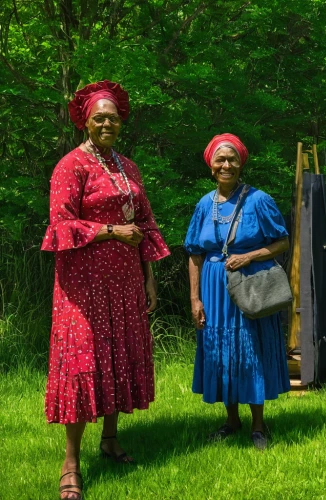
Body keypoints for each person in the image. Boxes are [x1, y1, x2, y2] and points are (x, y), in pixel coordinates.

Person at [42, 80, 170, 499]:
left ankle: (111, 438)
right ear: (85, 120)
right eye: (99, 117)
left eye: (113, 117)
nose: (106, 123)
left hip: (126, 281)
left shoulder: (127, 167)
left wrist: (149, 275)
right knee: (82, 362)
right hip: (83, 285)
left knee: (117, 355)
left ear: (121, 121)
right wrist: (110, 230)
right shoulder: (71, 166)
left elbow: (146, 223)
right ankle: (71, 462)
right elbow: (60, 225)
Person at [185, 133, 290, 450]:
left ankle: (258, 425)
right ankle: (232, 420)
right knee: (221, 349)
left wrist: (250, 255)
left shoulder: (259, 200)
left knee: (249, 348)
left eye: (232, 159)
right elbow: (193, 252)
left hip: (249, 285)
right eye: (220, 159)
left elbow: (282, 241)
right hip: (214, 288)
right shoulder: (205, 204)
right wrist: (195, 298)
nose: (226, 164)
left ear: (241, 162)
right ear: (211, 165)